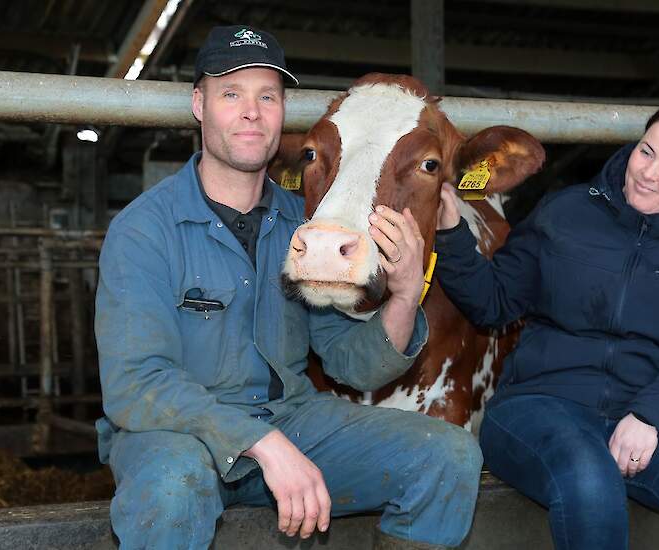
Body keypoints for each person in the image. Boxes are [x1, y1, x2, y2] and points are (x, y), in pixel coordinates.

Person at [94, 25, 482, 550]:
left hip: (293, 420)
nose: (251, 112)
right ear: (198, 106)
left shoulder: (303, 224)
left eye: (267, 96)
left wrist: (404, 295)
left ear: (283, 112)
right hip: (176, 435)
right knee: (172, 485)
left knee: (449, 455)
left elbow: (348, 361)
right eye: (231, 94)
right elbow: (136, 383)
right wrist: (262, 442)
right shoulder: (144, 228)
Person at [434, 98, 659, 549]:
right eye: (646, 152)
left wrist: (651, 414)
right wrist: (450, 235)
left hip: (651, 413)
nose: (647, 173)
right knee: (588, 482)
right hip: (541, 403)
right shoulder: (566, 213)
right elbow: (495, 301)